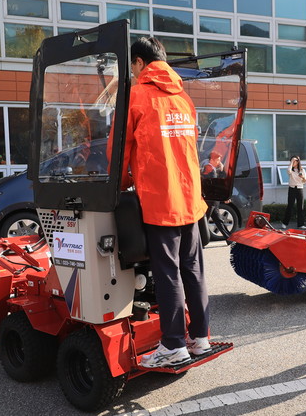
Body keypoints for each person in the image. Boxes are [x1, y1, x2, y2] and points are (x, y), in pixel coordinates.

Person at [113, 37, 212, 368]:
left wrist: (120, 184)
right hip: (189, 198)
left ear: (140, 62)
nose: (132, 71)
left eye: (132, 65)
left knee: (167, 272)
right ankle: (200, 338)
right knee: (193, 269)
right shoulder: (183, 98)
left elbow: (119, 150)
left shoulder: (136, 96)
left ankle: (172, 345)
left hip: (160, 200)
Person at [282, 155, 306, 229]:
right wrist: (292, 162)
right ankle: (285, 223)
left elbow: (305, 181)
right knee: (290, 206)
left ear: (298, 162)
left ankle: (301, 224)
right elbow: (288, 171)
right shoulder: (291, 170)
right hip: (292, 188)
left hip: (300, 188)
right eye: (291, 161)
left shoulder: (302, 170)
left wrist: (302, 177)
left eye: (294, 161)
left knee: (300, 206)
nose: (293, 162)